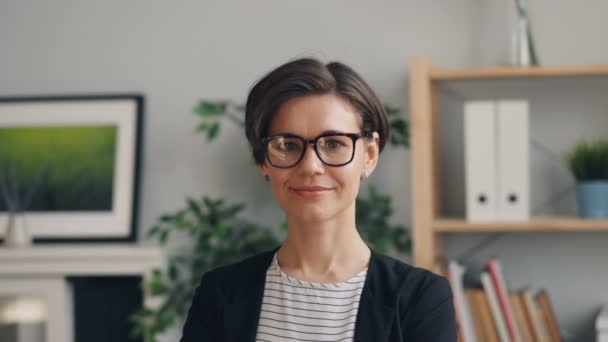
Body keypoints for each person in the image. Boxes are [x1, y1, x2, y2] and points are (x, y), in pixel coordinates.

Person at [180, 57, 456, 341]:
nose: (311, 166)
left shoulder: (420, 299)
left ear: (369, 155)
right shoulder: (220, 292)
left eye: (334, 144)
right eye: (287, 145)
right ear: (264, 160)